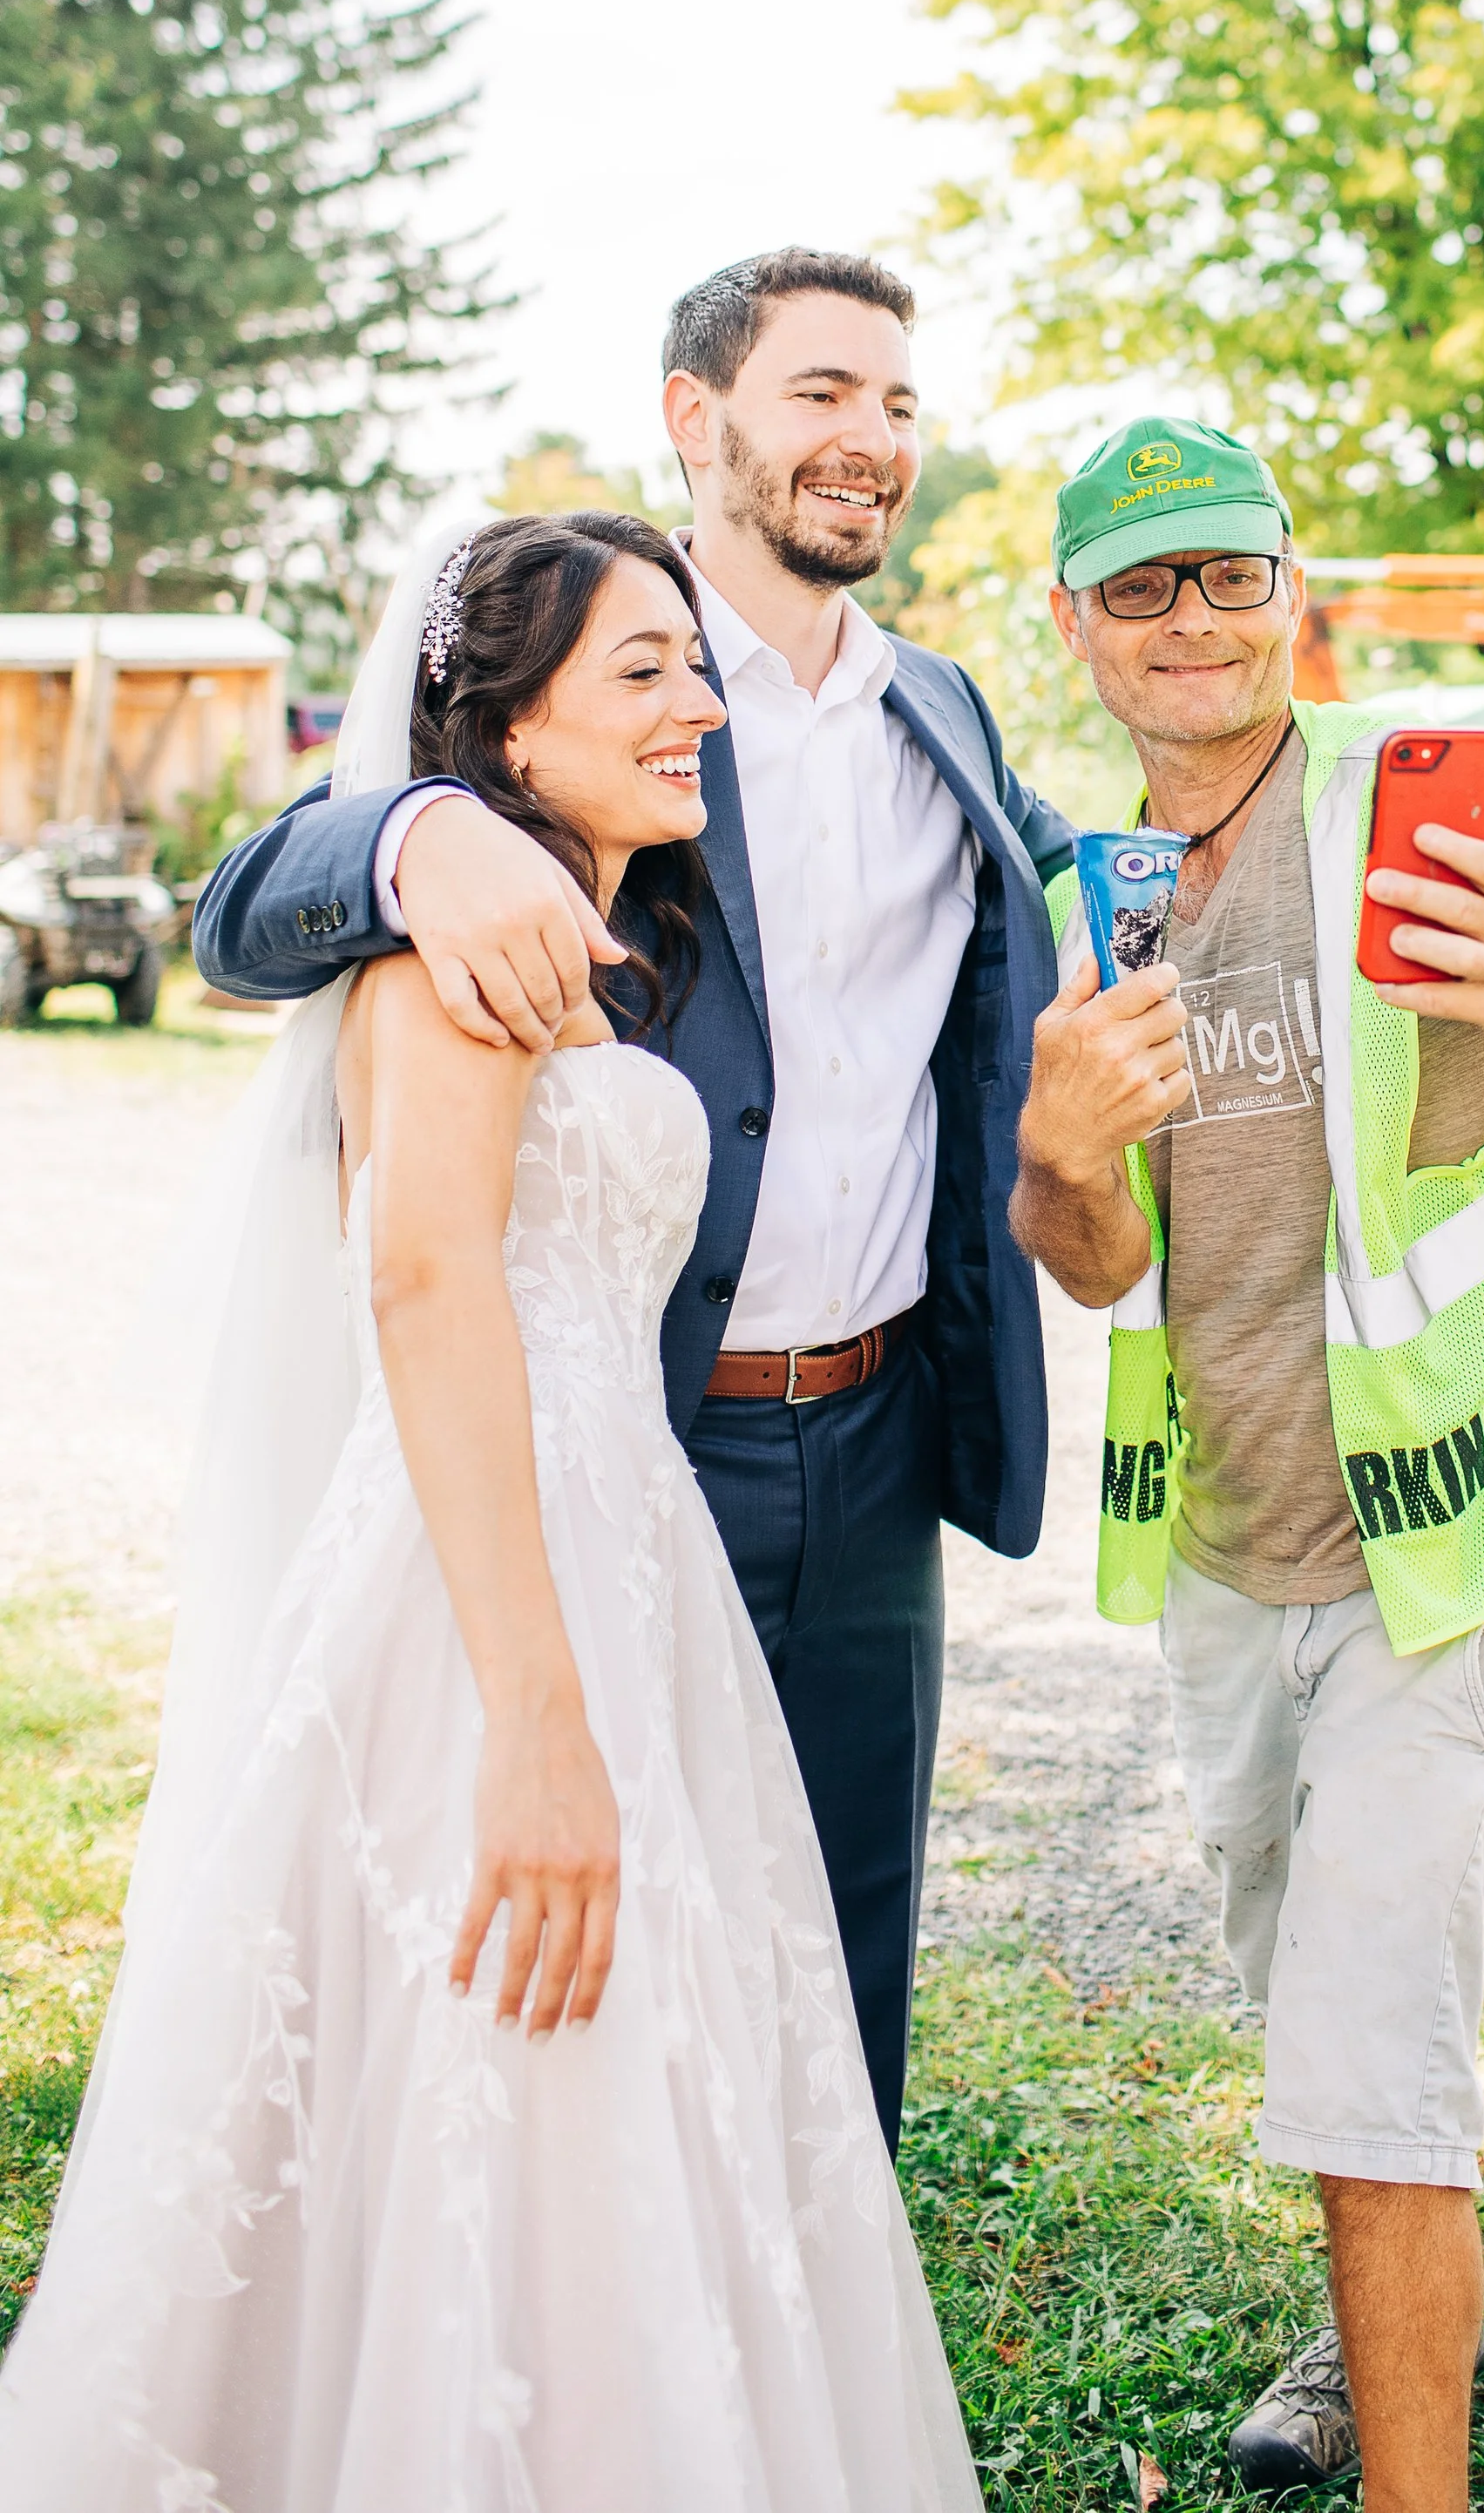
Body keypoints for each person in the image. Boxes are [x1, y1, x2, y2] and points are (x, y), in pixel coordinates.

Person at [0, 511, 982, 2509]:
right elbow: (426, 1280)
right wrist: (536, 1714)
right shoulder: (455, 933)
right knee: (506, 2036)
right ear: (505, 733)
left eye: (696, 666)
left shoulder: (617, 932)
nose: (696, 700)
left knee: (642, 2067)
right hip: (487, 1598)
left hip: (636, 1556)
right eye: (641, 672)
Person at [193, 248, 1071, 2149]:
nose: (873, 441)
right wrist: (418, 831)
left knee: (838, 1956)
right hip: (642, 1435)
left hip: (881, 1433)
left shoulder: (949, 724)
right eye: (824, 393)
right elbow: (245, 913)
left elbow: (1097, 903)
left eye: (900, 404)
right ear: (699, 421)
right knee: (579, 1954)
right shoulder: (609, 707)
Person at [1011, 418, 1484, 2513]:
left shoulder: (1416, 797)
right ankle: (1377, 2298)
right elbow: (1093, 1256)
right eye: (1140, 585)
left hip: (1457, 1525)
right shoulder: (1075, 896)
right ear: (1073, 628)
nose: (1191, 619)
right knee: (1313, 1980)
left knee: (1359, 2036)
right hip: (1232, 1555)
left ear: (1290, 590)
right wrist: (1056, 1150)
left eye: (1226, 574)